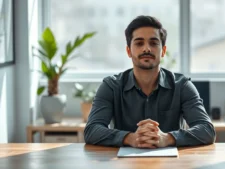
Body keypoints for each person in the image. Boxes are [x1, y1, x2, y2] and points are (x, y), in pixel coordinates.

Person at [84, 15, 216, 148]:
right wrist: (131, 138)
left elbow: (207, 130)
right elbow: (91, 130)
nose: (146, 48)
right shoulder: (111, 86)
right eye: (139, 43)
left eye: (153, 43)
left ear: (163, 51)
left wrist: (167, 138)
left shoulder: (182, 86)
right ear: (129, 51)